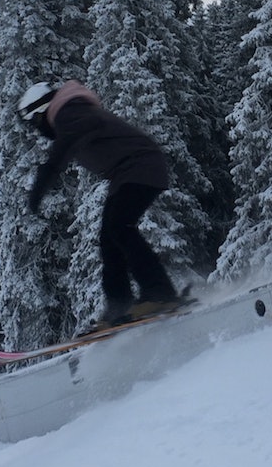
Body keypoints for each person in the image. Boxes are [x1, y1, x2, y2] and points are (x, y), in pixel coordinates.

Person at [18, 79, 184, 330]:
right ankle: (120, 305)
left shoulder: (68, 113)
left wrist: (40, 187)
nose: (38, 130)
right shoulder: (71, 112)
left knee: (120, 228)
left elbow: (62, 150)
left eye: (34, 124)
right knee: (109, 238)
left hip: (140, 167)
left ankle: (159, 293)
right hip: (130, 172)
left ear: (40, 113)